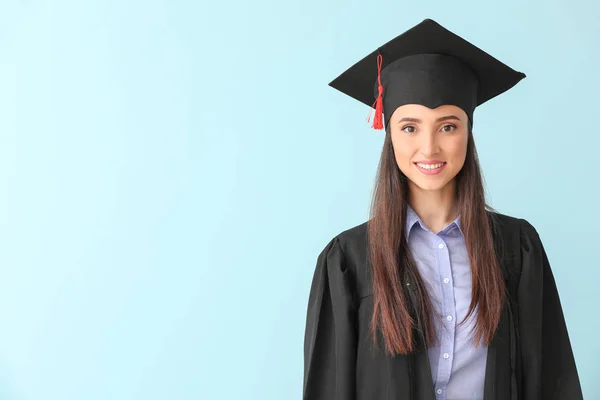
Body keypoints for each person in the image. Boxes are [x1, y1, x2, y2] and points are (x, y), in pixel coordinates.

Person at [302, 19, 583, 400]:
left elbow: (552, 381)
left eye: (448, 127)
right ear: (389, 134)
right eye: (409, 127)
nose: (430, 148)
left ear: (468, 131)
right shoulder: (348, 260)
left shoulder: (518, 248)